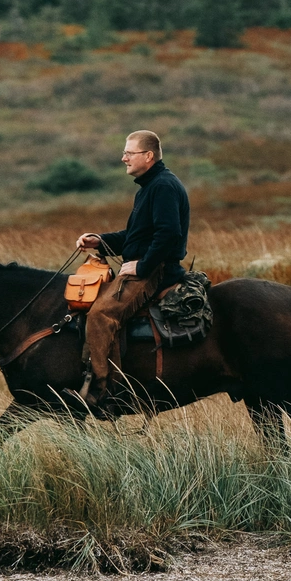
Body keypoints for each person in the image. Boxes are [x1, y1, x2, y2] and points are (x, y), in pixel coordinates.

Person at [75, 129, 190, 410]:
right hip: (146, 267)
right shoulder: (149, 187)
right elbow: (134, 236)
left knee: (101, 314)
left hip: (156, 272)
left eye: (129, 153)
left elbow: (168, 234)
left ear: (148, 156)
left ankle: (105, 390)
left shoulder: (163, 186)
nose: (123, 158)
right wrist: (99, 241)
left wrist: (143, 266)